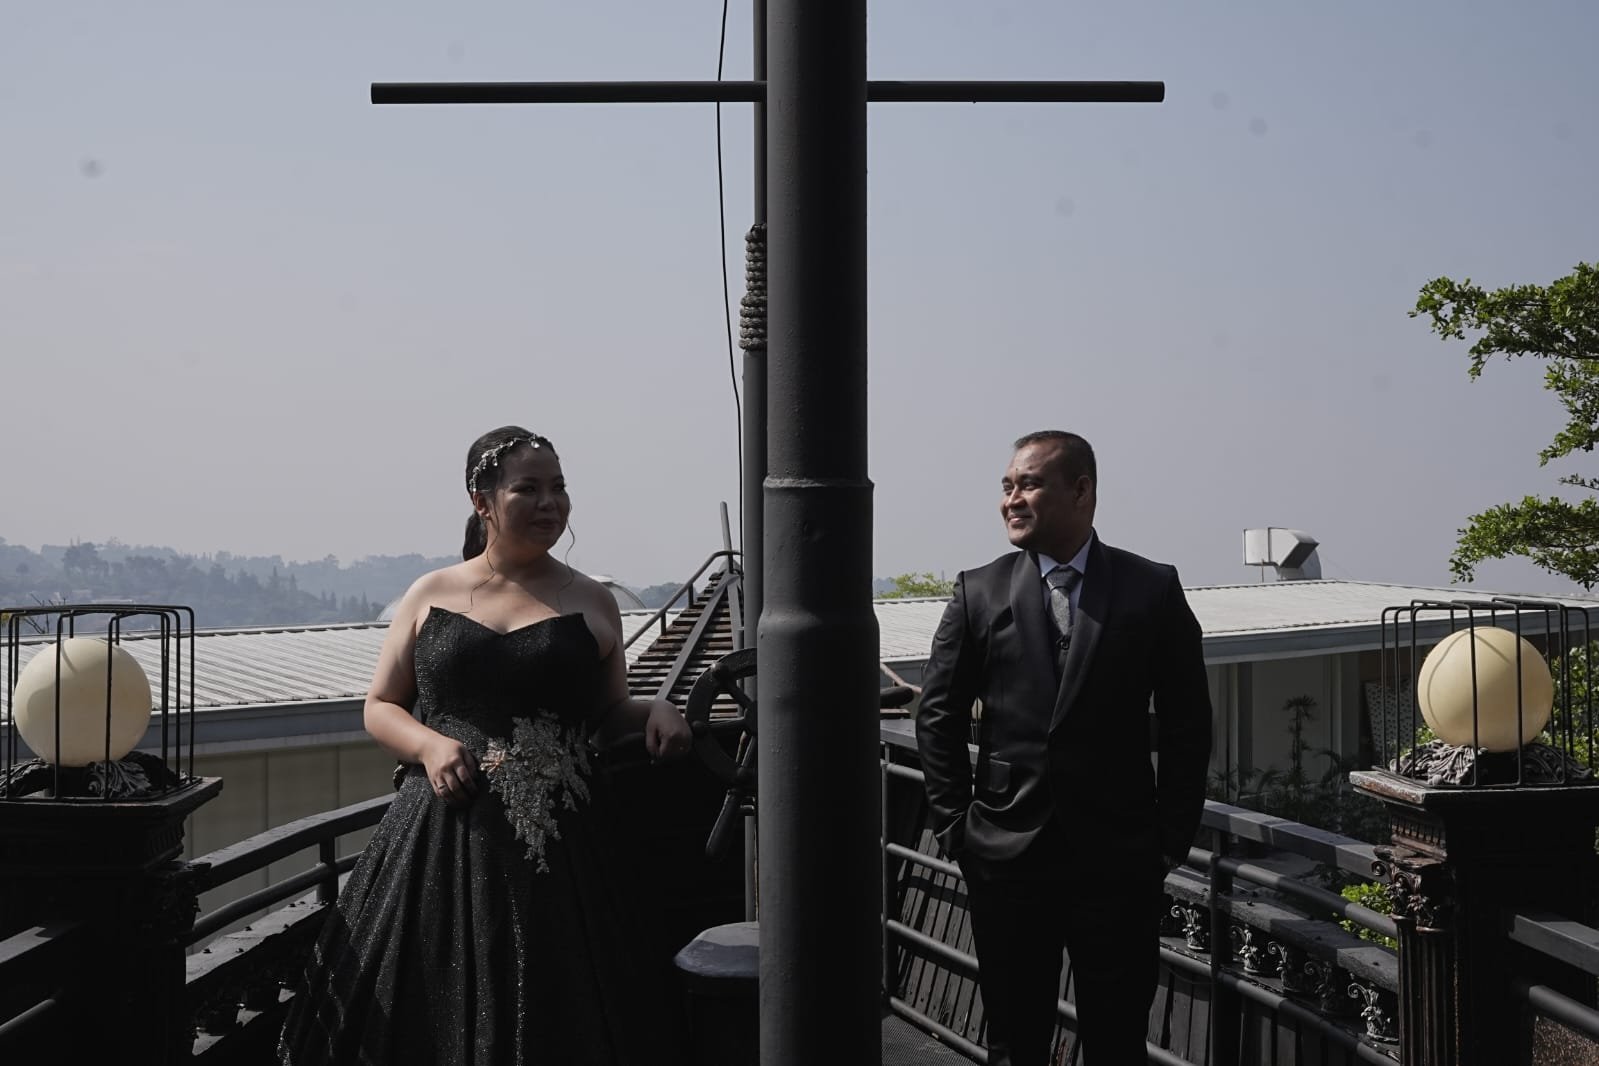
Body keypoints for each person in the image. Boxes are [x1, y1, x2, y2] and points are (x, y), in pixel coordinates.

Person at [279, 426, 695, 1066]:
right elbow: (380, 706)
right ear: (483, 501)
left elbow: (609, 711)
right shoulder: (430, 592)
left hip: (565, 850)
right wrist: (429, 747)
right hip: (442, 839)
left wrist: (657, 709)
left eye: (559, 488)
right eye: (528, 489)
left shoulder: (592, 599)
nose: (550, 503)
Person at [914, 430, 1212, 1066]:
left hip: (1119, 861)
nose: (1011, 499)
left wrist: (1170, 839)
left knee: (1117, 1042)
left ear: (1081, 491)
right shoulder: (978, 590)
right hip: (1005, 859)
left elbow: (1188, 722)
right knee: (1014, 1042)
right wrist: (954, 827)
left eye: (1029, 484)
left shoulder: (1151, 588)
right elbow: (937, 714)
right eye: (1007, 487)